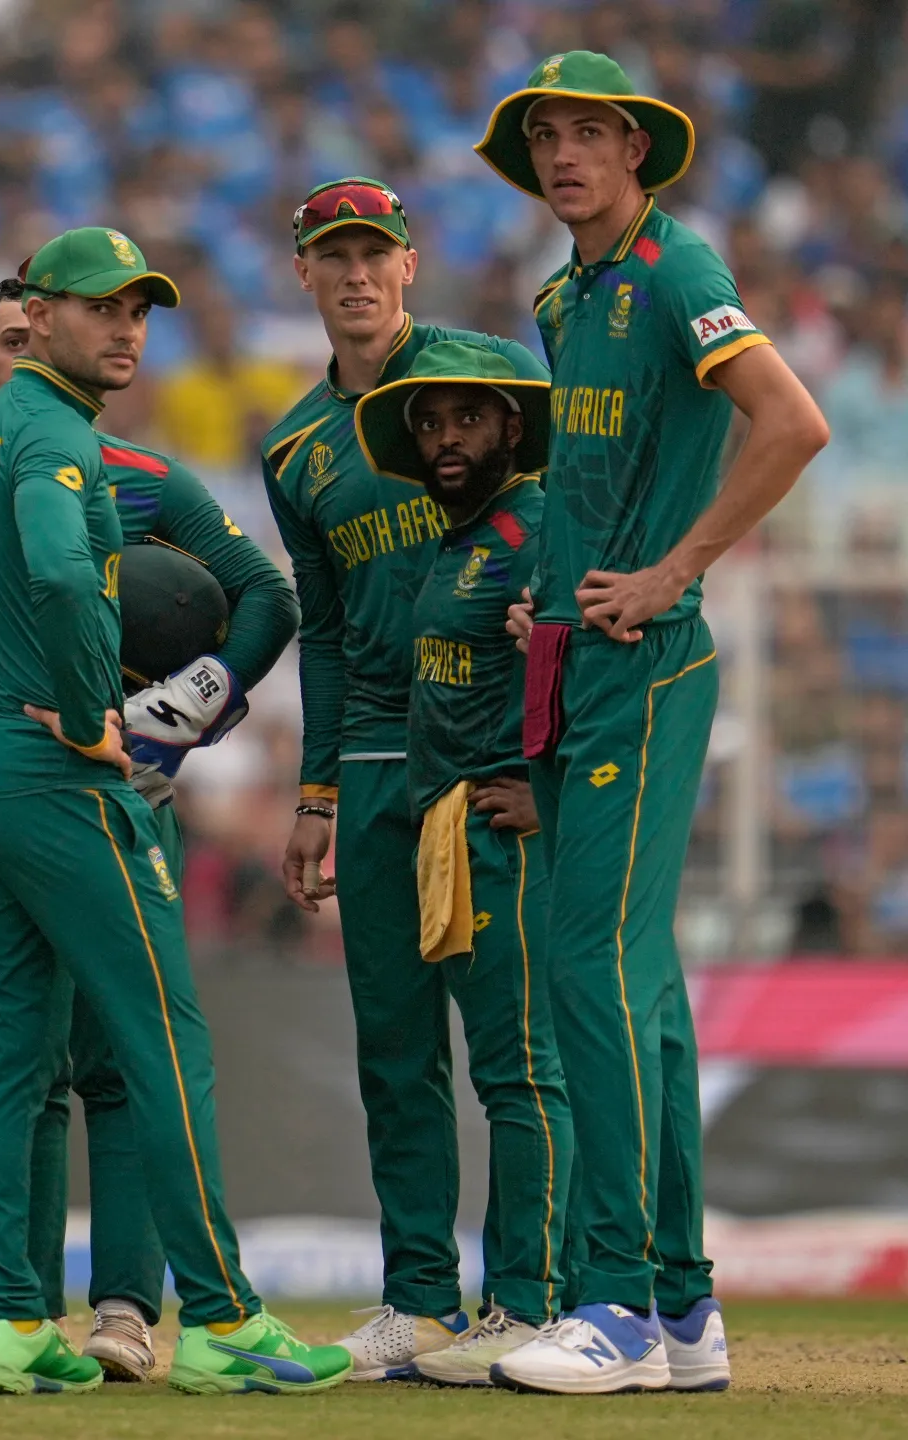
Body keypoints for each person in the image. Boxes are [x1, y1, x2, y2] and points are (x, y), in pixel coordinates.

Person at [0, 226, 348, 1397]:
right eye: (101, 307)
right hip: (52, 777)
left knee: (9, 1054)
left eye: (139, 310)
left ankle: (10, 1324)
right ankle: (222, 1319)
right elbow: (63, 574)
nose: (126, 329)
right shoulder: (57, 434)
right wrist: (89, 713)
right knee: (164, 1038)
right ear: (42, 314)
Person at [473, 52, 828, 1394]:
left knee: (588, 969)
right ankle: (680, 1311)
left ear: (636, 151)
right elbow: (596, 475)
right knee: (645, 993)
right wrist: (553, 591)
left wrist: (677, 569)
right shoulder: (564, 295)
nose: (564, 155)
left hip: (649, 663)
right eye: (545, 137)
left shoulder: (678, 272)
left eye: (590, 133)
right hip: (577, 660)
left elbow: (791, 423)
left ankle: (613, 1303)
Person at [261, 177, 549, 1380]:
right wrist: (315, 794)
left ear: (410, 264)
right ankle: (420, 1302)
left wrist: (547, 733)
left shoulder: (491, 375)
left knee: (513, 1047)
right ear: (304, 275)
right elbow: (324, 634)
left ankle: (529, 1300)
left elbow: (562, 530)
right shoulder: (291, 447)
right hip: (376, 758)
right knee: (393, 1047)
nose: (357, 274)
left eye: (375, 252)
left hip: (484, 758)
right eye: (334, 256)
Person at [349, 340, 573, 1384]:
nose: (446, 440)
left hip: (502, 830)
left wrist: (548, 786)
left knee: (521, 1071)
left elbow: (609, 645)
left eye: (468, 419)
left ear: (513, 428)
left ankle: (530, 1305)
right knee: (497, 1070)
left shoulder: (540, 527)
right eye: (431, 424)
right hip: (449, 826)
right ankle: (488, 1307)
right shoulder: (461, 538)